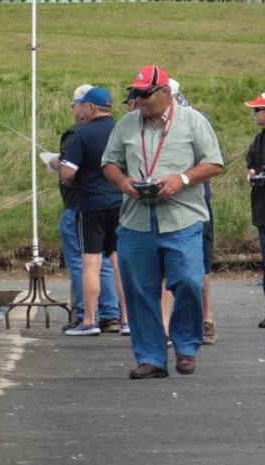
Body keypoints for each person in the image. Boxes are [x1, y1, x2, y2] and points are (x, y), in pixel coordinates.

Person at [102, 65, 224, 379]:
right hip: (136, 221)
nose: (137, 99)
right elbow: (109, 164)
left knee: (186, 281)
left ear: (165, 93)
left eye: (144, 94)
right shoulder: (127, 125)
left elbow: (213, 163)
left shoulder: (193, 121)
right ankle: (152, 358)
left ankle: (185, 346)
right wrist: (124, 183)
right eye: (134, 93)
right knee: (139, 290)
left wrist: (182, 179)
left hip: (182, 218)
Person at [47, 84, 121, 334]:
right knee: (115, 261)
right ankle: (122, 318)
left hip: (88, 204)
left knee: (88, 261)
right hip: (120, 203)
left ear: (89, 107)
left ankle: (88, 319)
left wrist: (61, 169)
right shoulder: (122, 130)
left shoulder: (81, 133)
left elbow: (68, 173)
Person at [158, 79, 218, 345]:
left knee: (192, 265)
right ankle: (203, 320)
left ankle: (188, 322)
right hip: (190, 200)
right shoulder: (188, 116)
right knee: (196, 265)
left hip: (191, 202)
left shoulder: (188, 120)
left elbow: (212, 161)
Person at [244, 92, 265, 328]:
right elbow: (250, 162)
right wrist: (251, 172)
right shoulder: (259, 140)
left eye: (258, 109)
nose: (254, 113)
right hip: (262, 210)